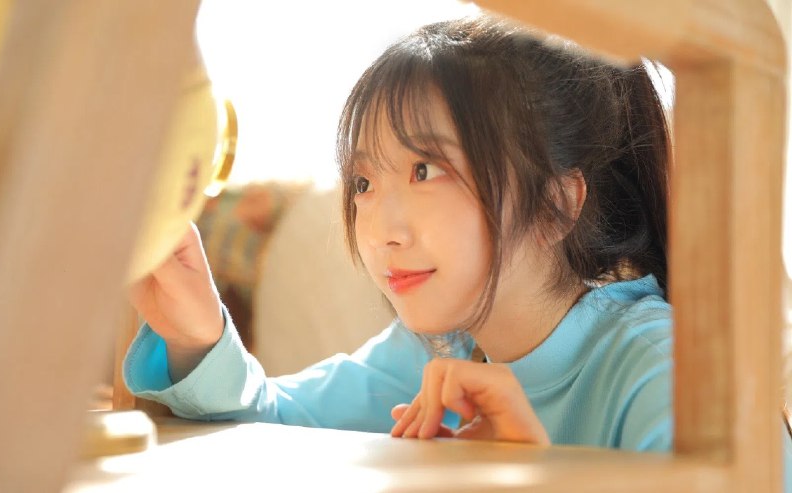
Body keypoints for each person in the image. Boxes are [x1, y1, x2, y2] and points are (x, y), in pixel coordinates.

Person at [126, 14, 683, 450]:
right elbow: (273, 420)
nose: (379, 234)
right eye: (363, 182)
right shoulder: (437, 350)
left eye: (424, 170)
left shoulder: (660, 370)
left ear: (554, 205)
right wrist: (197, 337)